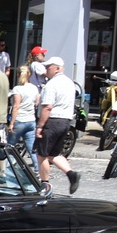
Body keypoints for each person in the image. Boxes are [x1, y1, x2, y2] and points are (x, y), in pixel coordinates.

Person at [35, 56, 82, 193]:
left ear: (56, 68)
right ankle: (71, 174)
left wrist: (40, 126)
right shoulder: (69, 83)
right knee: (54, 154)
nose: (46, 70)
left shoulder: (52, 84)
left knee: (42, 154)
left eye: (48, 67)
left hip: (52, 121)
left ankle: (44, 184)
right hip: (65, 121)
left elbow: (47, 107)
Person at [8, 66, 39, 154]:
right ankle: (37, 164)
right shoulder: (34, 88)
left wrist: (11, 123)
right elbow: (37, 102)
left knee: (9, 148)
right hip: (31, 120)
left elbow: (16, 107)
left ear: (18, 75)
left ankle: (7, 163)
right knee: (32, 150)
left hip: (20, 120)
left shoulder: (17, 89)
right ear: (30, 75)